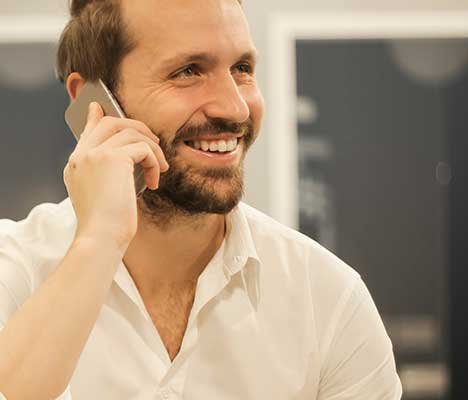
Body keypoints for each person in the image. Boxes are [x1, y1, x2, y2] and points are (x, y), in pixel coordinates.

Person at [0, 0, 401, 398]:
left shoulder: (328, 301)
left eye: (242, 69)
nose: (235, 108)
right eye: (188, 71)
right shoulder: (14, 271)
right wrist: (98, 239)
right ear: (93, 101)